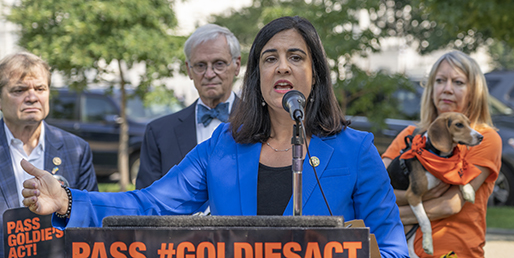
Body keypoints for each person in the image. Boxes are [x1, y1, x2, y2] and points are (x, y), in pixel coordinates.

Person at [20, 16, 408, 258]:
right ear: (256, 76)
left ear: (316, 73)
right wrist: (67, 201)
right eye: (270, 58)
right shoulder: (223, 146)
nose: (282, 67)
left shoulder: (355, 150)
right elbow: (150, 205)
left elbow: (394, 249)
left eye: (296, 56)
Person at [380, 50, 502, 258]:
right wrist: (414, 198)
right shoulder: (410, 137)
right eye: (440, 81)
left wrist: (389, 214)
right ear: (431, 88)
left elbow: (449, 204)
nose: (447, 89)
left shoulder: (485, 139)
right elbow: (375, 189)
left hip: (454, 252)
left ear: (475, 92)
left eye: (458, 82)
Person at [0, 52, 98, 253]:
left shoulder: (76, 149)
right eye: (19, 90)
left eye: (40, 88)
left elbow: (92, 219)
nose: (32, 97)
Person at [136, 24, 242, 189]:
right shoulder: (159, 133)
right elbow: (147, 205)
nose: (209, 74)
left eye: (219, 64)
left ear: (237, 65)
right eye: (200, 65)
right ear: (189, 70)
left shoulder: (264, 124)